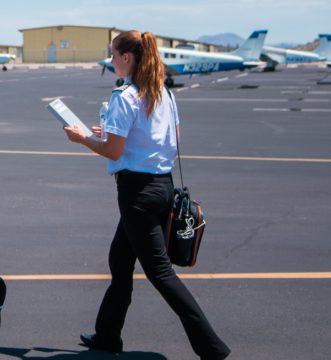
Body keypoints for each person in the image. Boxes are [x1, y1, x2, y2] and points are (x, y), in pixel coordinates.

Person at [61, 30, 231, 360]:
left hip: (137, 194)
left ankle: (212, 346)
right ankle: (108, 335)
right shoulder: (162, 94)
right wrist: (114, 133)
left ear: (127, 58)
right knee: (120, 261)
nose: (111, 61)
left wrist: (82, 137)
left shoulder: (125, 97)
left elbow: (112, 151)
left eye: (113, 55)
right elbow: (170, 138)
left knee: (161, 274)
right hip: (162, 187)